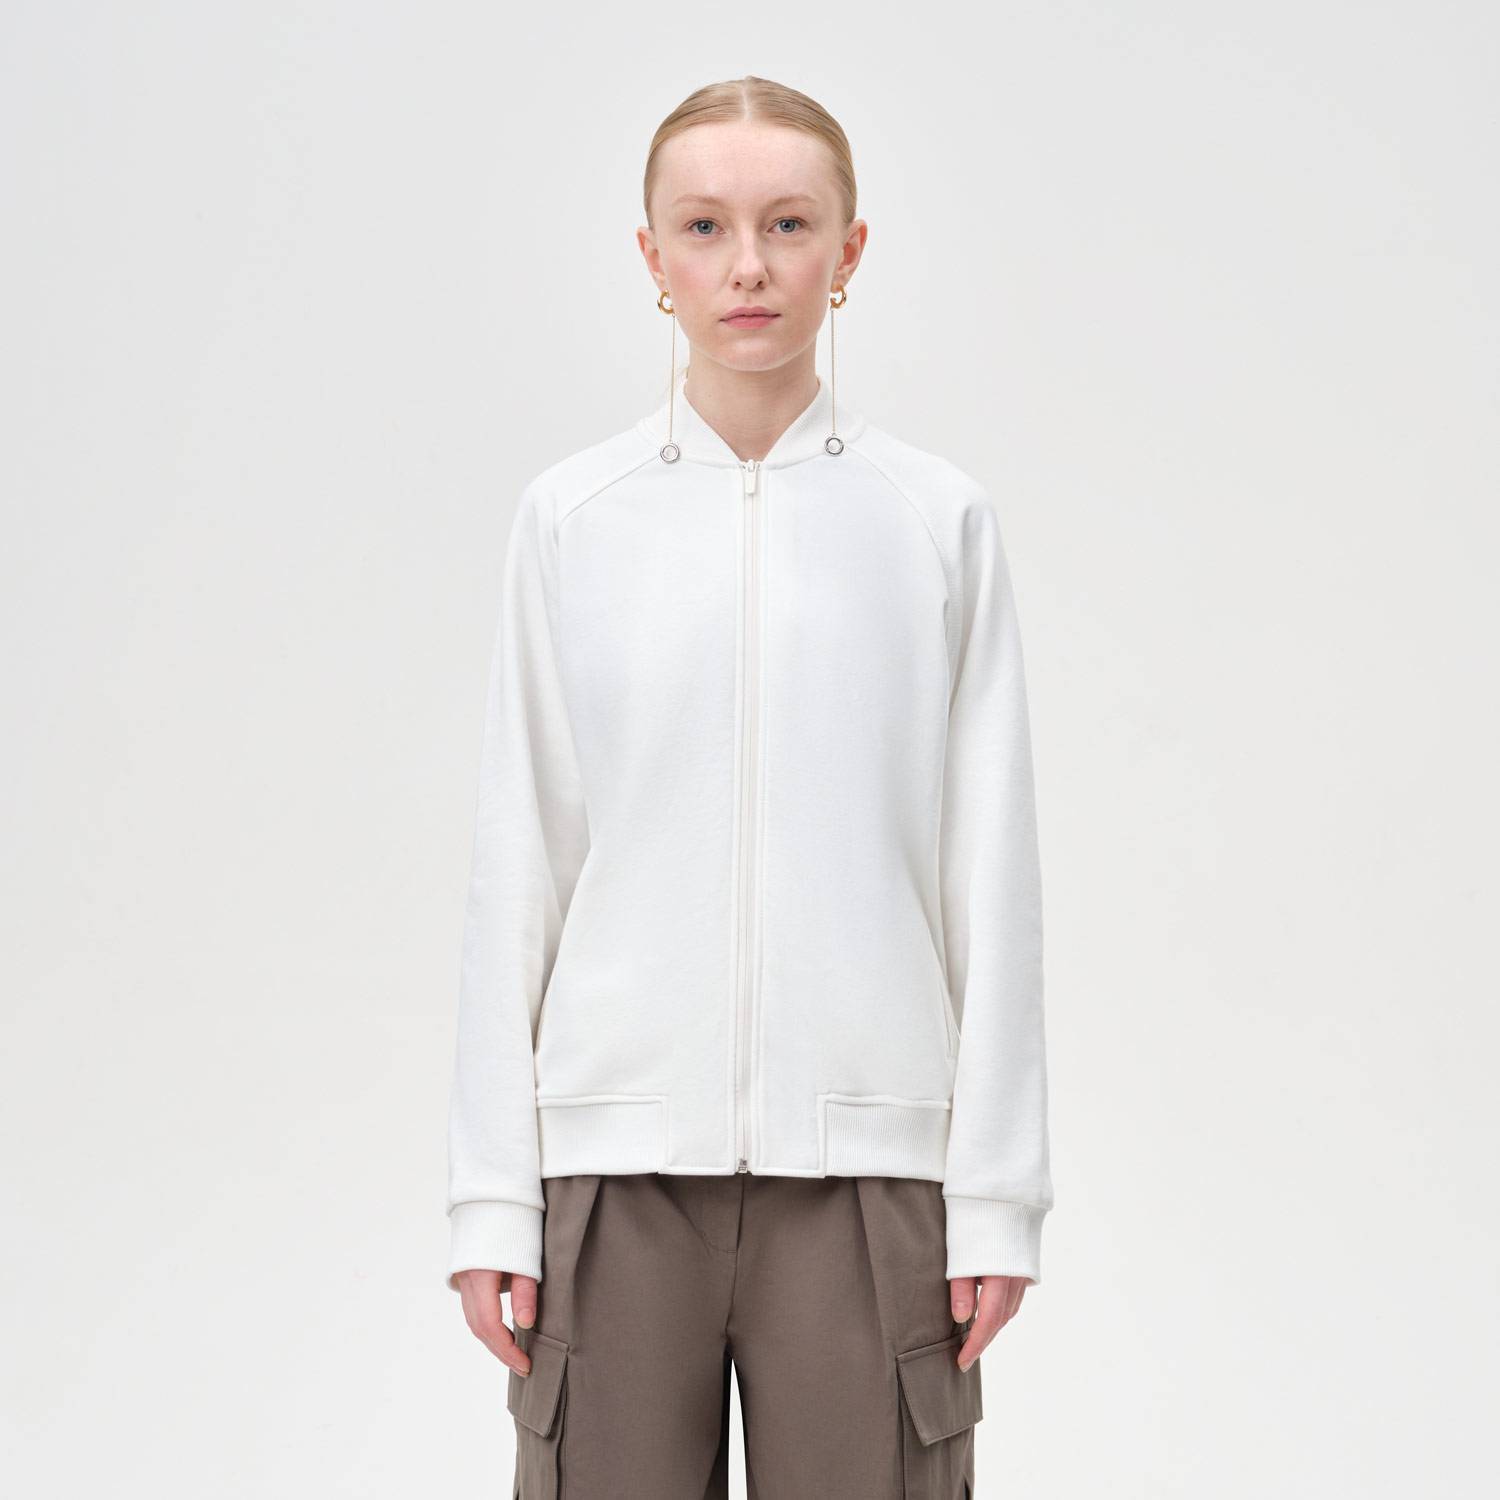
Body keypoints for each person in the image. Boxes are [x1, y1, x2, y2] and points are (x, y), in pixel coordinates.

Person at [446, 74, 1054, 1499]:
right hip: (613, 1172)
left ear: (849, 252)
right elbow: (520, 859)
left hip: (872, 1178)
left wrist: (996, 1197)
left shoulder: (935, 522)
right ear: (651, 256)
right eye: (705, 226)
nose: (748, 266)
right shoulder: (573, 520)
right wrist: (492, 1195)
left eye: (788, 224)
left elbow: (991, 872)